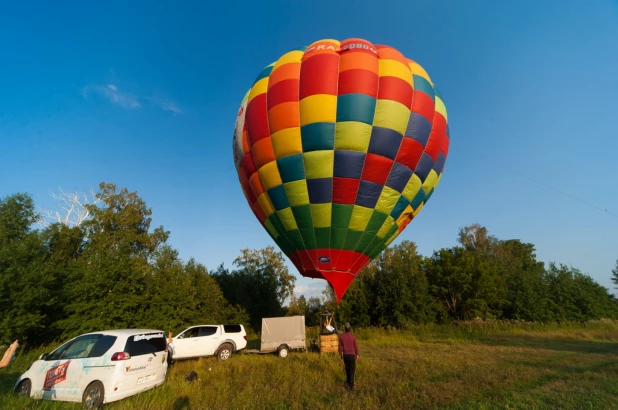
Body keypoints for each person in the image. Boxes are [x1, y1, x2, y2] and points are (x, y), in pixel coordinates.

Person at [338, 323, 358, 391]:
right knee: (352, 371)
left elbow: (339, 347)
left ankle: (348, 383)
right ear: (350, 329)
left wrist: (340, 354)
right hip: (352, 355)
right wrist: (357, 354)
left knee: (347, 370)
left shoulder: (342, 336)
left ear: (345, 329)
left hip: (345, 356)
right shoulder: (353, 336)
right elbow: (356, 347)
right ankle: (351, 386)